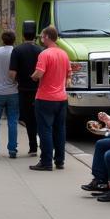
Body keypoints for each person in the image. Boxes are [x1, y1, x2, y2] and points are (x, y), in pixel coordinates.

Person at [31, 25, 71, 171]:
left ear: (47, 37)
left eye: (42, 36)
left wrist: (33, 76)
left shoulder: (45, 54)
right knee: (60, 129)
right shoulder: (64, 54)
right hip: (62, 98)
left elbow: (39, 73)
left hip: (45, 97)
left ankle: (46, 161)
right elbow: (69, 74)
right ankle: (60, 160)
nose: (41, 38)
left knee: (45, 130)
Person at [9, 29, 42, 156]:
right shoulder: (40, 50)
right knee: (39, 118)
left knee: (28, 119)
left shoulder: (17, 50)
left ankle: (32, 146)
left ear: (23, 36)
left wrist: (17, 81)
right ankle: (43, 145)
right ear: (35, 37)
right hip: (38, 89)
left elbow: (12, 73)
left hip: (23, 89)